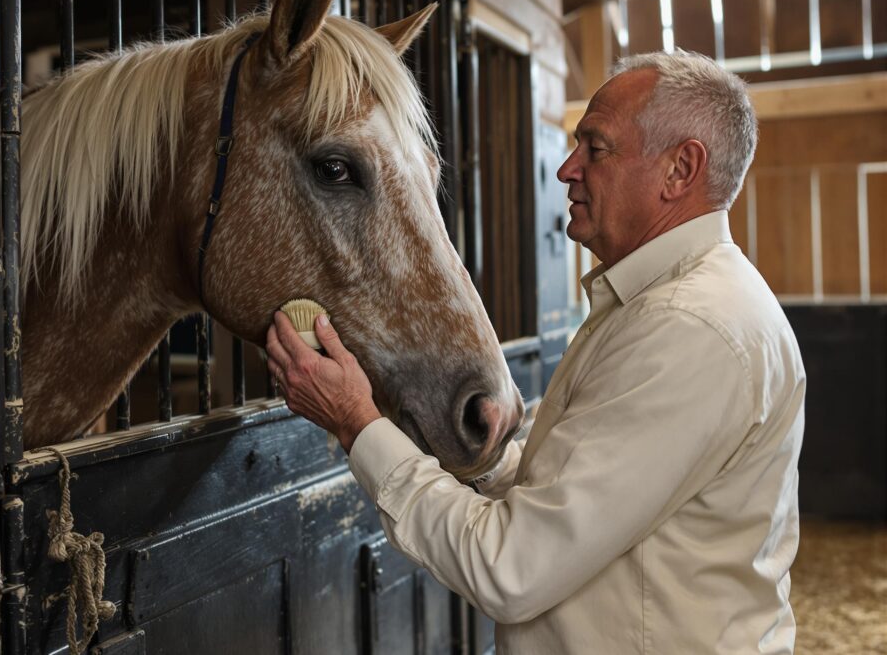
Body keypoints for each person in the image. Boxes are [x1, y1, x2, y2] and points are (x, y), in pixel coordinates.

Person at [266, 50, 805, 654]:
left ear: (680, 169)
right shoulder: (661, 302)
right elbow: (585, 496)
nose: (567, 169)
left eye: (596, 149)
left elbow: (511, 568)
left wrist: (356, 423)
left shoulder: (688, 328)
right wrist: (490, 461)